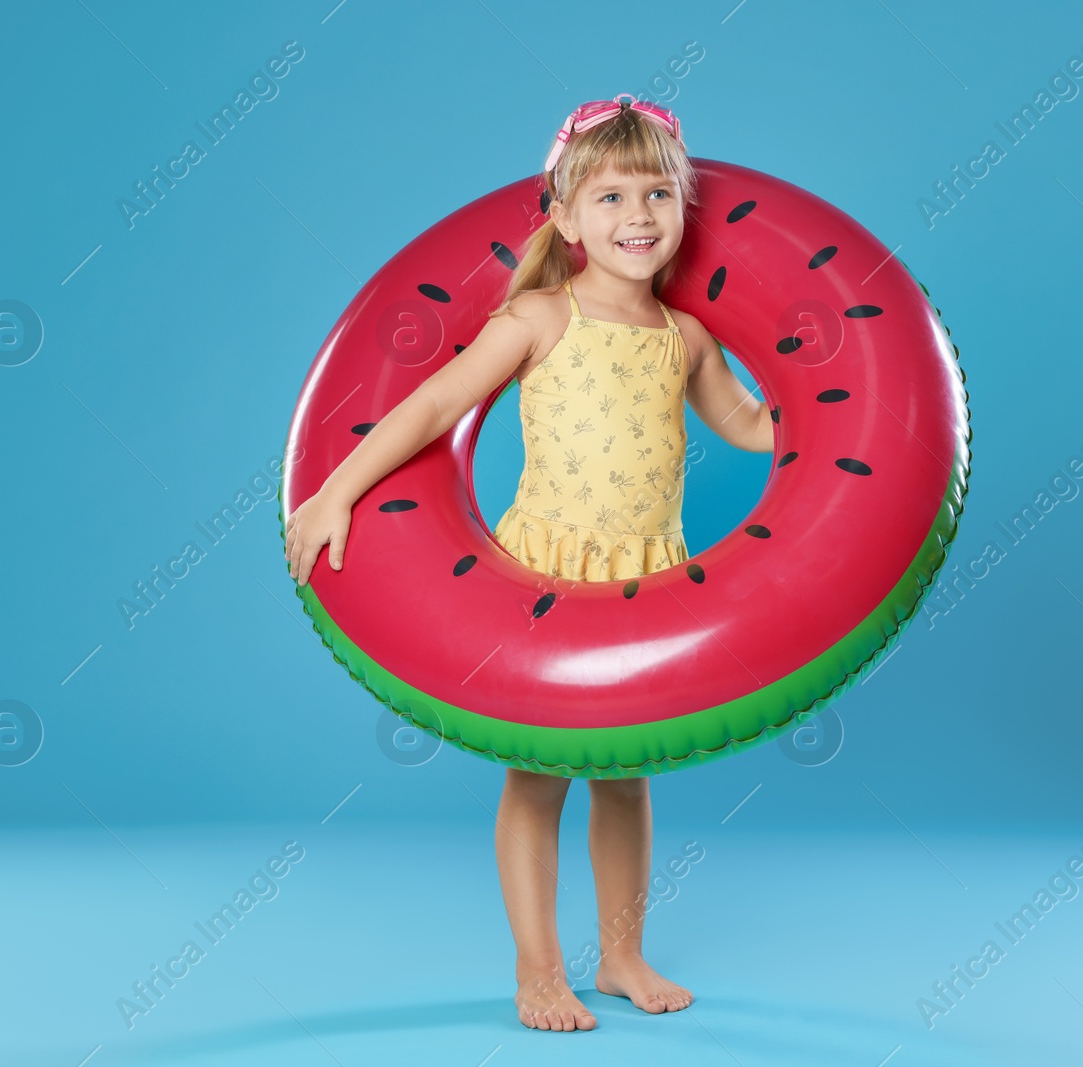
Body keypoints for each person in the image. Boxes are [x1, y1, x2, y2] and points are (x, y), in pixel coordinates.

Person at [284, 93, 773, 1032]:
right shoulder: (542, 317)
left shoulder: (686, 338)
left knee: (626, 774)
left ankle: (623, 952)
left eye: (660, 195)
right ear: (564, 214)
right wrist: (338, 487)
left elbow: (751, 424)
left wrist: (834, 411)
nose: (638, 217)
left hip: (645, 573)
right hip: (543, 577)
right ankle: (539, 969)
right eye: (612, 197)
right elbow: (433, 406)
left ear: (684, 209)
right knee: (537, 776)